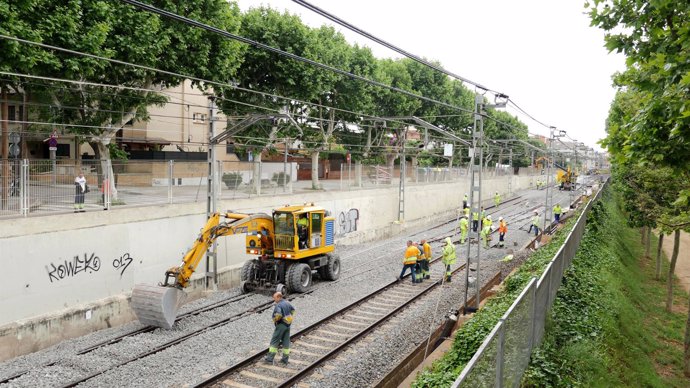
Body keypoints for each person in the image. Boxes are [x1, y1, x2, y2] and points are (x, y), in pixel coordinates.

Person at [264, 292, 295, 365]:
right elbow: (293, 310)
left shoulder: (279, 305)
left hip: (281, 325)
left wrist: (275, 320)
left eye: (274, 298)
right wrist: (289, 319)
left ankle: (269, 359)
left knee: (274, 341)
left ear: (278, 297)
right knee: (286, 342)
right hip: (288, 325)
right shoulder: (287, 303)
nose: (274, 299)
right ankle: (285, 359)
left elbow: (279, 315)